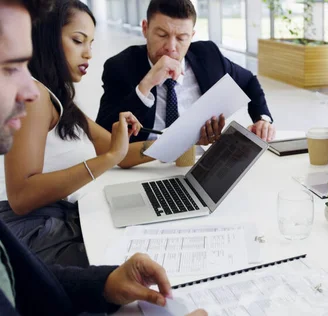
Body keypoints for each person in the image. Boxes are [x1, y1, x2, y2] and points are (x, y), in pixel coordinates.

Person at [0, 1, 209, 315]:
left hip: (61, 216)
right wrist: (109, 157)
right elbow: (21, 195)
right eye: (78, 40)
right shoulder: (36, 97)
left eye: (91, 43)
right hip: (34, 229)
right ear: (47, 41)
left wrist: (184, 138)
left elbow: (118, 153)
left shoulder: (62, 100)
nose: (88, 53)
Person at [96, 0, 276, 144]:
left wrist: (262, 119)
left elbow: (249, 81)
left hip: (198, 162)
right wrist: (147, 84)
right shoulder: (120, 66)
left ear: (192, 36)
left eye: (181, 38)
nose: (171, 48)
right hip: (143, 163)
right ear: (145, 28)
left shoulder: (208, 56)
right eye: (162, 35)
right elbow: (103, 133)